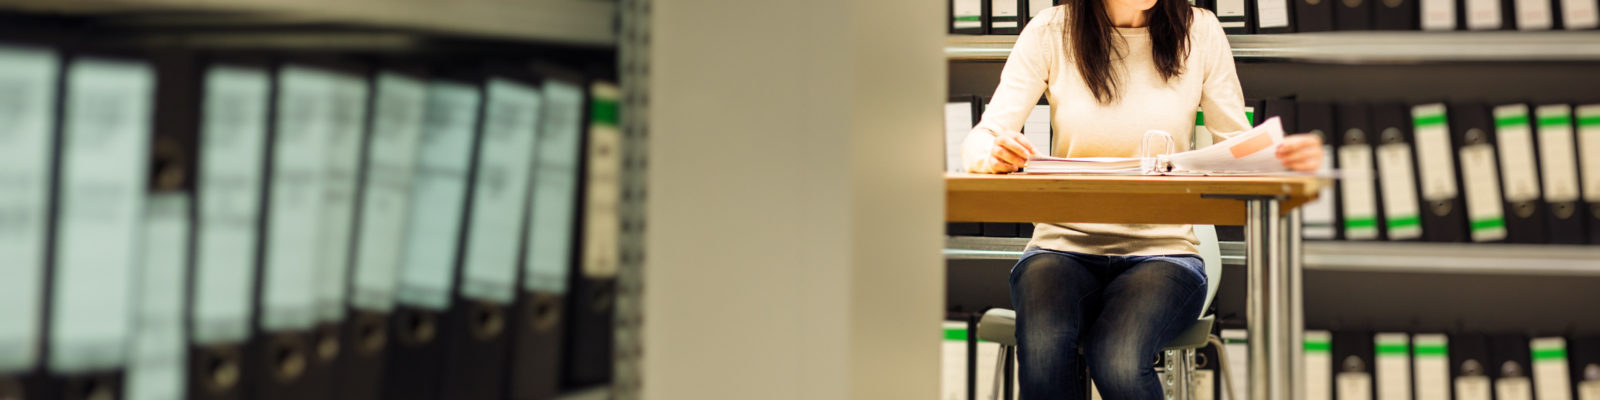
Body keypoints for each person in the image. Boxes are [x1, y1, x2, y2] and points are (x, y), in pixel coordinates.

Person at [959, 0, 1324, 397]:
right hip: (1061, 246)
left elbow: (1239, 144)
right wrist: (989, 155)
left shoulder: (1199, 30)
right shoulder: (1050, 30)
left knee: (1117, 356)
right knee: (1045, 350)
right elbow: (983, 136)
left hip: (1163, 253)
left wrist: (1283, 156)